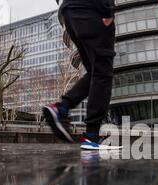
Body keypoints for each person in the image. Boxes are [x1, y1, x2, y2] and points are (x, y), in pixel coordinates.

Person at [44, 0, 116, 150]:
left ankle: (62, 108)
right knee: (103, 74)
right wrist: (107, 9)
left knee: (95, 72)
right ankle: (92, 136)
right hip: (93, 10)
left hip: (69, 12)